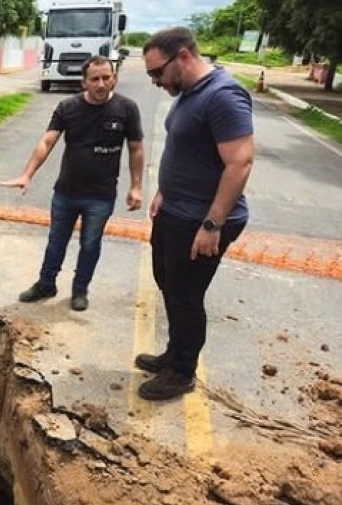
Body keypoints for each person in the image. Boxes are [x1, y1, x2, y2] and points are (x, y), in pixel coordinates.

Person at [135, 27, 253, 401]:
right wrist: (163, 192)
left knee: (186, 295)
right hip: (174, 209)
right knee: (167, 282)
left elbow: (239, 163)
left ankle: (181, 372)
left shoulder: (223, 96)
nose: (154, 81)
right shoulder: (187, 92)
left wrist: (212, 224)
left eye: (157, 73)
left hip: (201, 220)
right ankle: (174, 353)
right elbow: (187, 152)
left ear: (183, 57)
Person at [1, 55, 145, 311]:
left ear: (114, 78)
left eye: (106, 78)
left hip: (101, 195)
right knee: (56, 240)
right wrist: (27, 174)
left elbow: (136, 148)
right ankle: (46, 283)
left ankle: (80, 290)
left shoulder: (127, 109)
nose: (101, 84)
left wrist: (136, 186)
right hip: (66, 192)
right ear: (84, 82)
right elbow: (47, 141)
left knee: (90, 244)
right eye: (95, 79)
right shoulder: (68, 107)